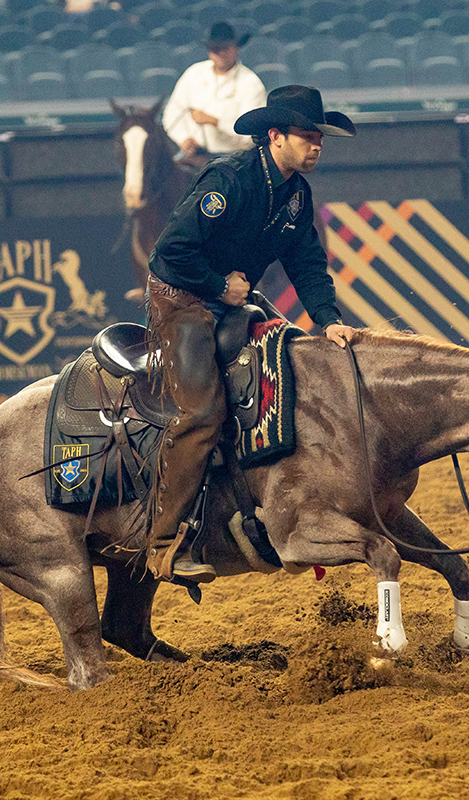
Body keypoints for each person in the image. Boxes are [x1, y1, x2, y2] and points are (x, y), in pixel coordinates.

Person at [143, 85, 357, 582]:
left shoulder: (296, 195)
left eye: (319, 137)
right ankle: (163, 544)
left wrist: (328, 320)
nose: (317, 144)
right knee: (200, 413)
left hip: (231, 300)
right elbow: (168, 253)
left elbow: (307, 263)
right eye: (307, 136)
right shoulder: (229, 180)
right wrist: (218, 285)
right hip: (182, 300)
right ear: (275, 136)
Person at [162, 22, 267, 161]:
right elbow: (172, 113)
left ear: (236, 47)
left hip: (236, 159)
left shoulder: (251, 83)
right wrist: (184, 138)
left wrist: (215, 121)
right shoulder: (193, 73)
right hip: (194, 155)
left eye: (225, 48)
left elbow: (252, 134)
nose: (220, 53)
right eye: (214, 49)